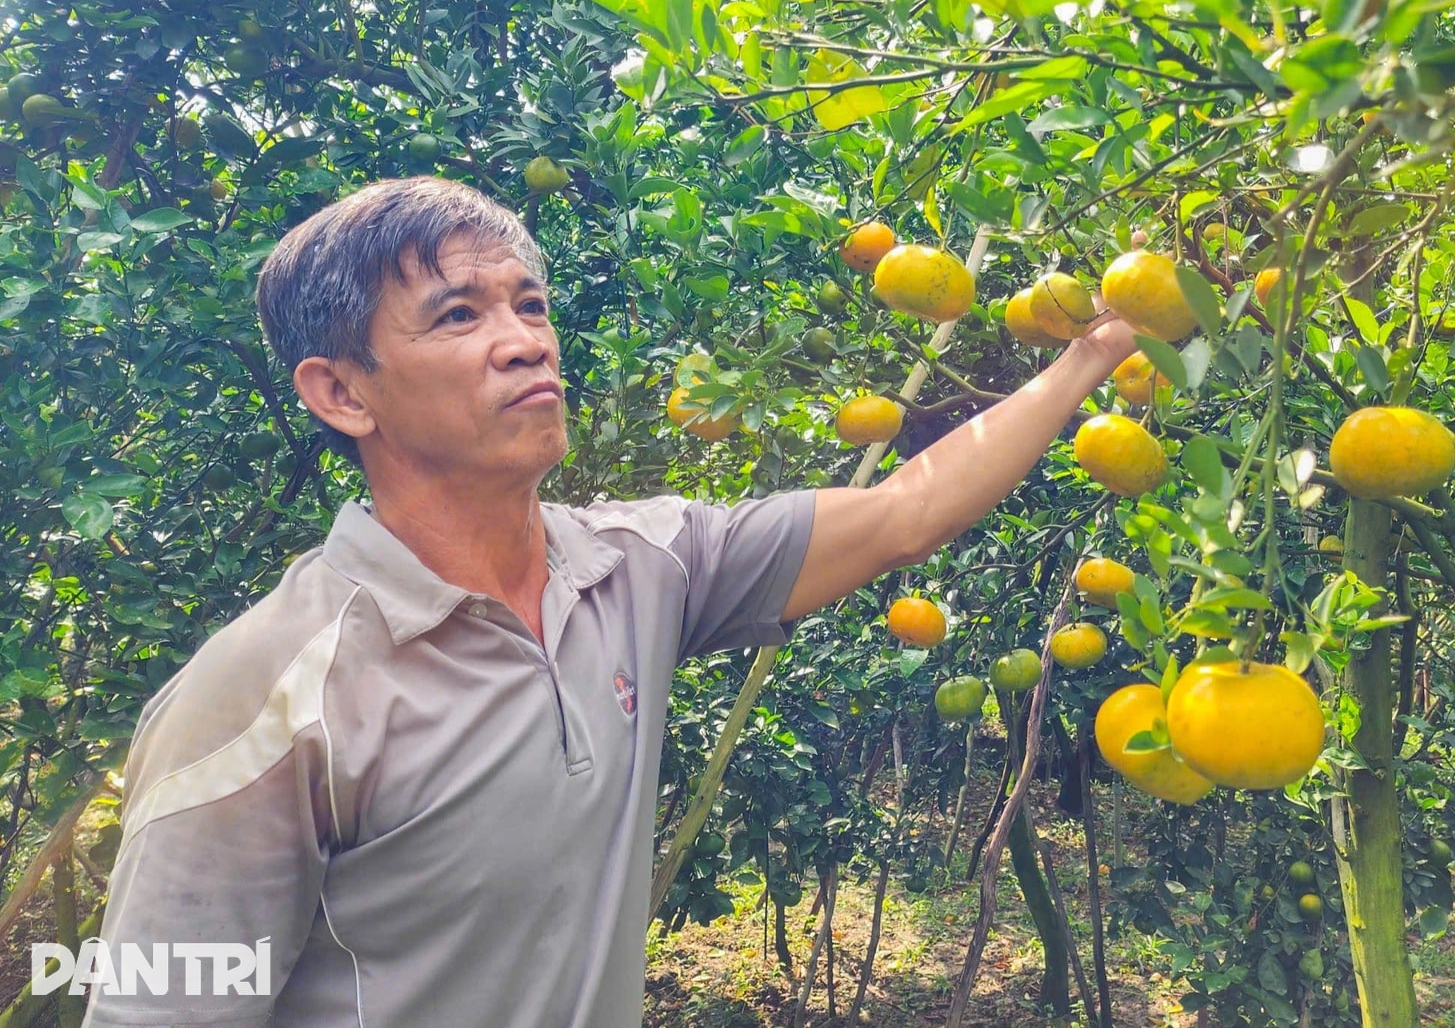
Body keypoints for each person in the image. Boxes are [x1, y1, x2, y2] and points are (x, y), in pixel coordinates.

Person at [82, 176, 1138, 1026]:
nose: (526, 339)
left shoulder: (641, 565)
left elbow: (905, 511)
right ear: (341, 391)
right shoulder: (265, 691)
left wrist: (1094, 351)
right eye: (458, 313)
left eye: (529, 305)